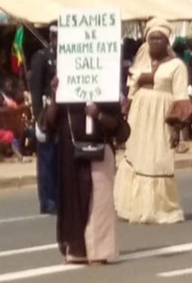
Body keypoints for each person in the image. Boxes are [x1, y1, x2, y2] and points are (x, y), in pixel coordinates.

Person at [114, 18, 192, 224]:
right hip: (139, 115)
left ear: (167, 41)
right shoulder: (140, 62)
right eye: (152, 39)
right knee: (137, 154)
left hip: (162, 116)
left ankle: (160, 207)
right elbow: (131, 91)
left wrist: (178, 130)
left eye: (160, 39)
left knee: (158, 158)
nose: (155, 43)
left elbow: (180, 98)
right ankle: (134, 206)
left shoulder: (177, 66)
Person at [43, 77, 128, 264]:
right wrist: (54, 95)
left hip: (99, 151)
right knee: (73, 203)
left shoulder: (105, 90)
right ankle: (77, 250)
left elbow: (119, 128)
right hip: (70, 154)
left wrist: (97, 114)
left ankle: (100, 251)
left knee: (98, 202)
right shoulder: (65, 92)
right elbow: (48, 122)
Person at [29, 24, 58, 215]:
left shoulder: (70, 58)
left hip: (64, 113)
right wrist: (39, 118)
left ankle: (60, 197)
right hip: (47, 112)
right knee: (47, 157)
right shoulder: (42, 57)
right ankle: (48, 200)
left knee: (60, 157)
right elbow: (36, 90)